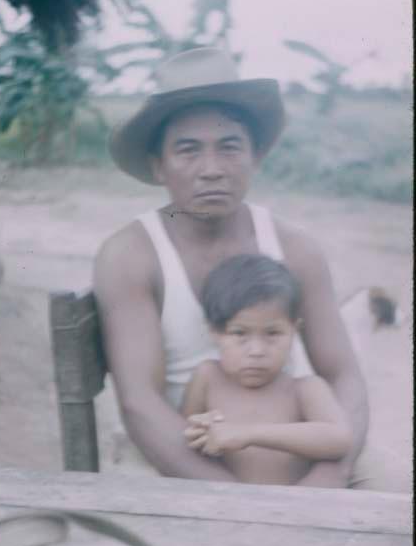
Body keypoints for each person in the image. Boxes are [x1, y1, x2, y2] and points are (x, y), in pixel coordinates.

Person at [95, 47, 369, 488]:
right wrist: (236, 504)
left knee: (397, 512)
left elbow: (344, 376)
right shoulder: (131, 254)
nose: (211, 170)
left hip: (303, 452)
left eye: (229, 148)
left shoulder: (295, 248)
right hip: (183, 458)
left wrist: (328, 477)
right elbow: (141, 404)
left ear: (255, 157)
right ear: (157, 166)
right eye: (188, 150)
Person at [182, 254, 352, 485]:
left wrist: (248, 433)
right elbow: (184, 436)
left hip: (287, 512)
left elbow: (339, 439)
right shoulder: (207, 378)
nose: (257, 350)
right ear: (215, 332)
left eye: (273, 334)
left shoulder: (303, 389)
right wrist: (201, 430)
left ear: (295, 330)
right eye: (239, 333)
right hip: (219, 508)